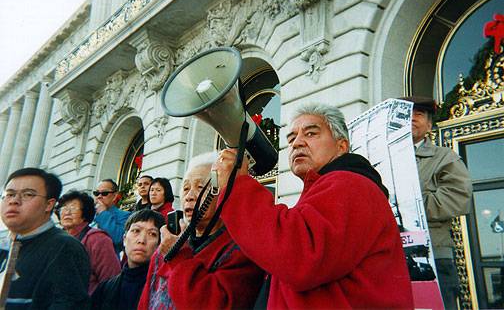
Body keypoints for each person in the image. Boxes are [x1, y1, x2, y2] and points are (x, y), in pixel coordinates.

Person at [214, 103, 414, 308]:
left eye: (310, 133)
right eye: (291, 138)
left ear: (341, 146)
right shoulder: (327, 189)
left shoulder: (349, 184)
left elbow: (298, 257)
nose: (297, 143)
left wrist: (237, 186)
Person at [138, 152, 264, 309]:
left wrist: (178, 257)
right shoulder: (167, 245)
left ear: (223, 191)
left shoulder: (242, 250)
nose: (189, 197)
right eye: (185, 188)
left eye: (200, 187)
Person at [402, 96, 473, 308]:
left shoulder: (444, 157)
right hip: (391, 256)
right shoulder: (383, 160)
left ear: (430, 124)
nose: (412, 118)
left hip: (433, 256)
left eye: (419, 114)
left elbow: (457, 197)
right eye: (406, 114)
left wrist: (407, 205)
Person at [0, 168, 90, 308]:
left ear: (49, 204)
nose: (14, 201)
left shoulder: (65, 248)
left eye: (28, 194)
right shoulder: (4, 246)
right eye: (9, 194)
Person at [91, 209, 165, 310]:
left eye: (152, 234)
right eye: (136, 231)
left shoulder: (163, 291)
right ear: (124, 239)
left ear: (159, 244)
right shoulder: (105, 289)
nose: (141, 240)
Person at [56, 190, 121, 294]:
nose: (67, 212)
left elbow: (111, 280)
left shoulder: (97, 239)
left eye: (73, 207)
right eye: (63, 208)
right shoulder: (55, 239)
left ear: (85, 213)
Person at [93, 179, 130, 254]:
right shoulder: (88, 214)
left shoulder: (125, 215)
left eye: (104, 193)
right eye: (96, 193)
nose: (99, 196)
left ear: (114, 196)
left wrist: (103, 213)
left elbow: (119, 238)